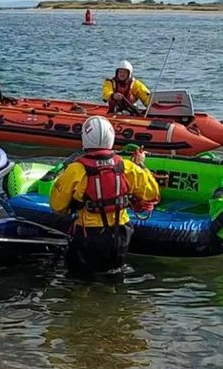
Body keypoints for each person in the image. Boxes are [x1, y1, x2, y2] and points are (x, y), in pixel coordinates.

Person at [49, 116, 160, 278]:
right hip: (120, 234)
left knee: (80, 280)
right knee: (115, 277)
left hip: (89, 235)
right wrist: (140, 164)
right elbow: (152, 194)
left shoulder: (75, 170)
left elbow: (57, 206)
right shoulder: (127, 167)